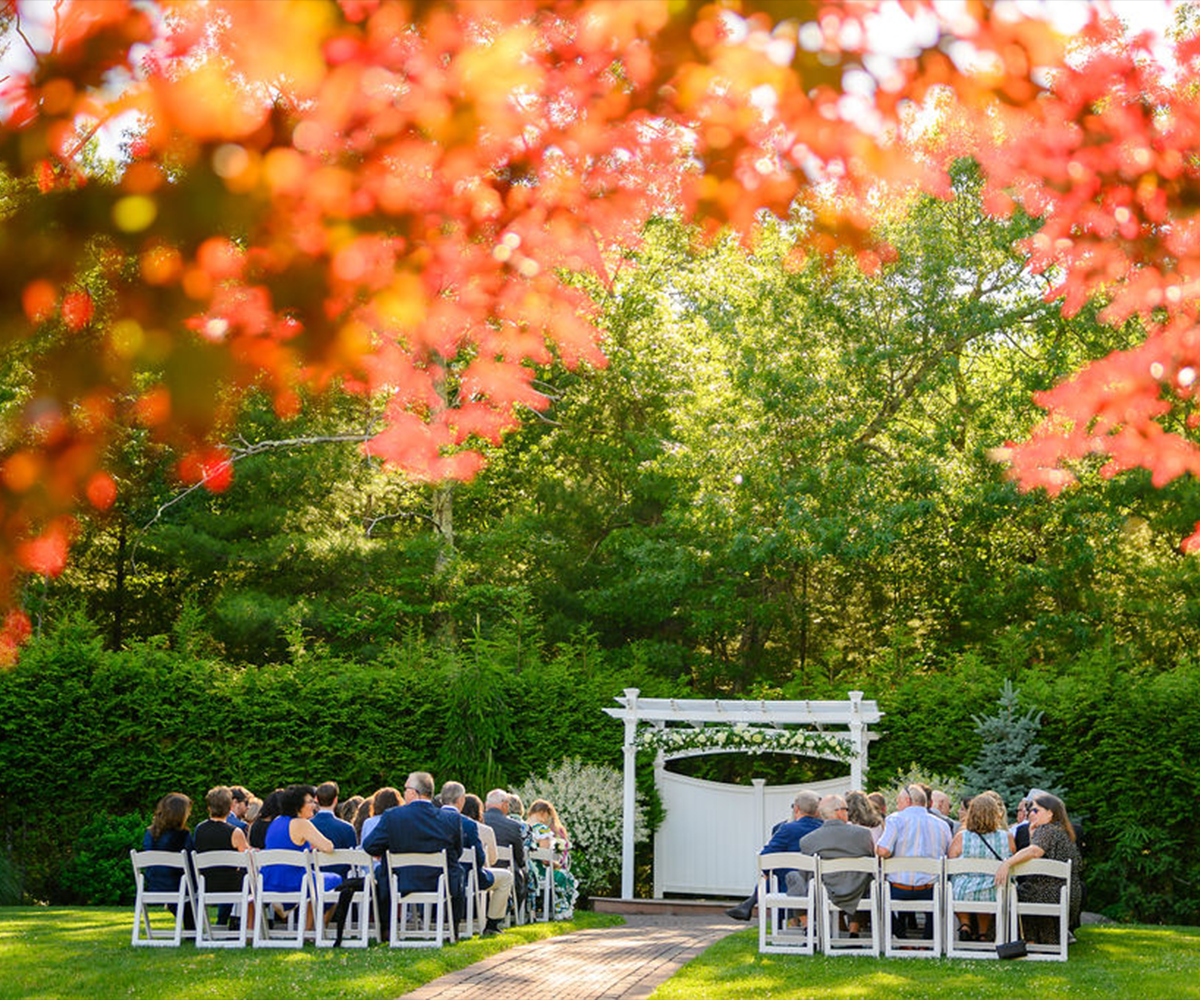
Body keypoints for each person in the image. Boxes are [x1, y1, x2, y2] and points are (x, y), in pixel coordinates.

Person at [364, 772, 463, 939]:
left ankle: (387, 929)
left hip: (401, 881)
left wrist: (387, 849)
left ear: (412, 792)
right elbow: (457, 851)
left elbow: (370, 845)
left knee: (383, 871)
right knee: (456, 870)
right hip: (440, 882)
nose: (404, 793)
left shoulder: (393, 816)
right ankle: (453, 929)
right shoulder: (451, 818)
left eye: (405, 789)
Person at [994, 792, 1083, 945]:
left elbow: (1035, 851)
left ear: (1050, 813)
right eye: (1029, 810)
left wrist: (1007, 863)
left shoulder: (1047, 829)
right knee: (1025, 890)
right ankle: (1041, 940)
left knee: (1011, 895)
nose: (1030, 814)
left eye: (1036, 810)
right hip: (1068, 892)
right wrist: (1031, 835)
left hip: (1050, 892)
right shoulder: (1061, 830)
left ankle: (1017, 940)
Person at [725, 790, 822, 921]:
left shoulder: (787, 828)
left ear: (797, 808)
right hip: (821, 884)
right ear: (818, 810)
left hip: (789, 885)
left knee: (773, 873)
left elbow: (765, 858)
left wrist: (767, 873)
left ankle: (752, 905)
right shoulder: (825, 828)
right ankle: (749, 904)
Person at [876, 784, 951, 939]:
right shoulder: (942, 825)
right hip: (930, 890)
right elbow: (948, 855)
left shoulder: (895, 819)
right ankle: (927, 941)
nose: (897, 806)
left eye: (898, 802)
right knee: (938, 889)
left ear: (908, 800)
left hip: (898, 889)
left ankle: (902, 938)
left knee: (877, 895)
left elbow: (883, 851)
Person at [794, 794, 876, 935]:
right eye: (846, 809)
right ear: (839, 811)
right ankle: (854, 931)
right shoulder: (864, 835)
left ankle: (808, 926)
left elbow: (805, 874)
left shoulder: (808, 840)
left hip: (826, 893)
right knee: (860, 879)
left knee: (794, 877)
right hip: (857, 892)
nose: (848, 812)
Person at [261, 784, 342, 925]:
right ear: (298, 805)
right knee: (335, 880)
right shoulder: (302, 824)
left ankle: (296, 916)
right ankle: (313, 931)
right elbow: (328, 847)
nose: (314, 805)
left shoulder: (276, 822)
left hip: (269, 881)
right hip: (294, 883)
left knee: (315, 882)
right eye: (310, 801)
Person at [441, 781, 514, 936]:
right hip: (468, 877)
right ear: (461, 800)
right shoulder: (469, 824)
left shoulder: (431, 820)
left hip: (436, 875)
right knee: (506, 877)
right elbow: (479, 859)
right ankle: (492, 925)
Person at [947, 790, 1014, 942]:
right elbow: (1011, 858)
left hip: (963, 891)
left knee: (959, 884)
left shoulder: (961, 837)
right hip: (994, 891)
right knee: (987, 888)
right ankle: (983, 933)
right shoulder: (1007, 837)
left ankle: (965, 925)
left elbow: (951, 862)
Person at [193, 786, 250, 928]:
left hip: (205, 883)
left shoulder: (199, 829)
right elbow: (248, 859)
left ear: (209, 807)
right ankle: (249, 925)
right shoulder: (235, 832)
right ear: (231, 807)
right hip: (232, 885)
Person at [141, 792, 195, 929]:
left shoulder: (150, 834)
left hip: (155, 885)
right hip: (178, 886)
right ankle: (193, 929)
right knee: (196, 885)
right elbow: (190, 864)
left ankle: (192, 928)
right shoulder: (183, 835)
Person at [524, 798, 578, 920]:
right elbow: (545, 860)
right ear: (543, 813)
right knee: (564, 875)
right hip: (539, 874)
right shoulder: (542, 830)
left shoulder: (521, 827)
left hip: (524, 871)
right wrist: (557, 864)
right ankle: (561, 912)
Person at [485, 789, 528, 911]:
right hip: (505, 873)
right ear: (504, 804)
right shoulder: (513, 826)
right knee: (522, 873)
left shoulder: (477, 822)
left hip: (480, 871)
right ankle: (512, 910)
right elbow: (520, 858)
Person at [312, 781, 358, 879]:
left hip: (312, 882)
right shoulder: (347, 828)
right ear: (335, 800)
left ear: (316, 799)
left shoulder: (306, 826)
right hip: (341, 883)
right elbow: (354, 862)